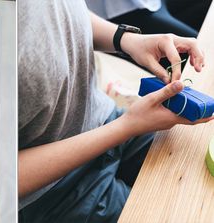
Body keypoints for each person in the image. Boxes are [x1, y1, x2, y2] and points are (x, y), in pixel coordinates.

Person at [18, 0, 211, 222]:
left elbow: (54, 13)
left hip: (105, 122)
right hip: (56, 194)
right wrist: (127, 126)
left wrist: (125, 39)